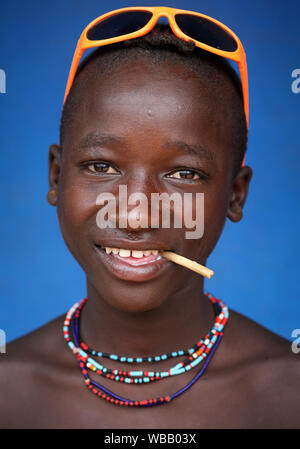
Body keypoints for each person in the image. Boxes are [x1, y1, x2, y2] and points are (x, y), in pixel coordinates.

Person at [0, 9, 299, 429]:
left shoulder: (289, 395)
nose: (136, 214)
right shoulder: (7, 391)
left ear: (236, 194)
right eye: (101, 166)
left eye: (184, 174)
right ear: (56, 174)